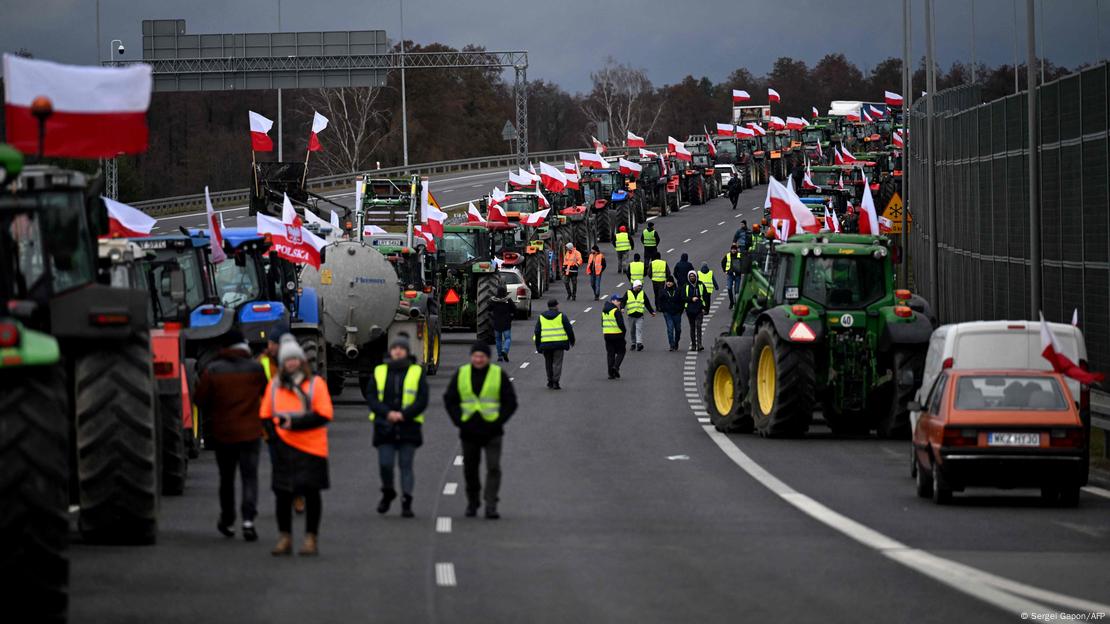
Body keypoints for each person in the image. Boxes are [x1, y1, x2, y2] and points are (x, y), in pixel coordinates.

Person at [260, 335, 334, 556]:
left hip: (312, 448)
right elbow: (265, 414)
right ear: (282, 363)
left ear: (301, 360)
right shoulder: (274, 387)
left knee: (312, 495)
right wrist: (274, 438)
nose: (291, 363)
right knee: (282, 495)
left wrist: (294, 423)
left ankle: (311, 538)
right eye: (287, 360)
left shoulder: (315, 385)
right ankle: (285, 537)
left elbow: (324, 415)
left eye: (294, 359)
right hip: (284, 448)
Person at [193, 329, 268, 542]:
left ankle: (227, 520)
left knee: (227, 479)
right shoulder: (256, 368)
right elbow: (266, 393)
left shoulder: (214, 370)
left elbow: (200, 400)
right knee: (249, 477)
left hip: (224, 434)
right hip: (251, 432)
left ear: (224, 347)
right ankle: (248, 521)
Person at [443, 343, 518, 519]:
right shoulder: (461, 374)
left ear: (488, 358)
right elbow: (450, 399)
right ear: (471, 357)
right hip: (469, 432)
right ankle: (473, 501)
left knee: (493, 467)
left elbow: (511, 402)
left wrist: (499, 420)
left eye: (482, 356)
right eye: (475, 356)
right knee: (470, 470)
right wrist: (459, 421)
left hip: (492, 432)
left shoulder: (498, 375)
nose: (478, 359)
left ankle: (491, 504)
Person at [366, 336, 429, 518]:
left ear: (407, 352)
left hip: (408, 426)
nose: (398, 351)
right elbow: (371, 397)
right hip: (384, 425)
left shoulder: (416, 372)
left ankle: (406, 501)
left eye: (402, 348)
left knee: (405, 465)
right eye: (395, 348)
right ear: (391, 351)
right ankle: (388, 492)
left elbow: (422, 399)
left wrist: (404, 415)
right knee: (385, 464)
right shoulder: (379, 371)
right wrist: (387, 414)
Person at [533, 298, 575, 389]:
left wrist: (538, 346)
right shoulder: (561, 316)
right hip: (559, 344)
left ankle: (550, 381)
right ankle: (556, 382)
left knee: (548, 363)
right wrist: (572, 341)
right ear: (556, 306)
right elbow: (569, 329)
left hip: (546, 344)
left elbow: (537, 331)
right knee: (557, 363)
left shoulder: (541, 317)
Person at [621, 280, 656, 351]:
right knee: (632, 330)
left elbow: (647, 303)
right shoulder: (628, 292)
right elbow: (623, 301)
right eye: (638, 286)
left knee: (638, 329)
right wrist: (622, 308)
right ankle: (633, 343)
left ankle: (639, 343)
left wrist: (652, 311)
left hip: (640, 315)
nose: (640, 287)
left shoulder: (642, 293)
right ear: (635, 286)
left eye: (640, 286)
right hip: (631, 315)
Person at [601, 294, 627, 379]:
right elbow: (621, 324)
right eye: (617, 300)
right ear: (612, 300)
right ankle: (615, 367)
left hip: (607, 335)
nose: (619, 302)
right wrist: (624, 332)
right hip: (617, 334)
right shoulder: (616, 311)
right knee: (621, 351)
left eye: (620, 300)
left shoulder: (604, 311)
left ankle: (610, 374)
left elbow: (602, 323)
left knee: (610, 354)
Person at [683, 270, 710, 351]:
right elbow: (683, 297)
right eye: (690, 276)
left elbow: (706, 296)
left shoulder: (701, 284)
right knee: (692, 327)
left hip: (699, 309)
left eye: (693, 276)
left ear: (696, 276)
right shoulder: (686, 286)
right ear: (688, 277)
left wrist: (705, 308)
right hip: (690, 310)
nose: (692, 278)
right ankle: (693, 345)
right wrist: (691, 299)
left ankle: (699, 344)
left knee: (699, 326)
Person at [657, 278, 686, 351]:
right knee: (670, 328)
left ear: (673, 283)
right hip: (668, 313)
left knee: (678, 329)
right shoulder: (663, 291)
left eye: (670, 282)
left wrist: (680, 310)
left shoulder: (678, 290)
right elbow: (660, 301)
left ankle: (676, 342)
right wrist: (663, 309)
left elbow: (682, 300)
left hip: (677, 313)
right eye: (667, 282)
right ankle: (671, 344)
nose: (668, 283)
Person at [490, 285, 516, 362]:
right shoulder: (508, 300)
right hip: (506, 323)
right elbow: (514, 310)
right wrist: (511, 318)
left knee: (498, 340)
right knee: (507, 338)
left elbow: (489, 309)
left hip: (497, 323)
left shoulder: (494, 301)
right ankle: (505, 350)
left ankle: (500, 356)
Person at [721, 244, 746, 309]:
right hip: (730, 274)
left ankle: (736, 303)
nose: (733, 250)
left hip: (737, 275)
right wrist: (725, 270)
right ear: (731, 249)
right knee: (729, 288)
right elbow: (723, 262)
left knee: (736, 290)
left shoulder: (740, 255)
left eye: (735, 249)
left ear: (736, 250)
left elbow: (744, 263)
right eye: (732, 249)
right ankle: (731, 302)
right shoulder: (728, 255)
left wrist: (742, 271)